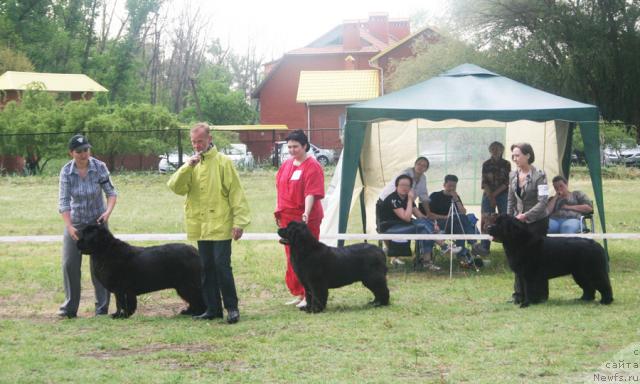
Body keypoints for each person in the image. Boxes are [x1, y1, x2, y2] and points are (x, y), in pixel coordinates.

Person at [167, 123, 250, 324]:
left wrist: (239, 222)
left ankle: (232, 308)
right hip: (200, 225)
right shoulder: (191, 165)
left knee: (222, 266)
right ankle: (212, 308)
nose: (196, 145)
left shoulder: (223, 162)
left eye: (200, 141)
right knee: (206, 267)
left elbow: (236, 193)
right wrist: (188, 167)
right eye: (194, 142)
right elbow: (175, 187)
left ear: (209, 139)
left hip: (220, 224)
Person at [57, 134, 117, 318]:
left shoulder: (99, 167)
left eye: (86, 150)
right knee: (70, 264)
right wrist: (69, 226)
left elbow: (111, 193)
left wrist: (107, 213)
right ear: (71, 153)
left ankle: (102, 308)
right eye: (79, 151)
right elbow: (64, 202)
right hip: (76, 223)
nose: (84, 154)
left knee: (101, 265)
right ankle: (69, 309)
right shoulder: (66, 172)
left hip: (98, 224)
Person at [275, 130, 325, 308]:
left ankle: (309, 294)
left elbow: (312, 192)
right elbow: (280, 189)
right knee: (292, 258)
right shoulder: (286, 165)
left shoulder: (312, 166)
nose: (292, 150)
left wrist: (307, 212)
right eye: (289, 147)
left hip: (305, 220)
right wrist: (278, 211)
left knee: (308, 258)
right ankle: (298, 292)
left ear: (305, 146)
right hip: (287, 218)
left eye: (295, 146)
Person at [507, 143, 550, 303]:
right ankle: (519, 294)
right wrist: (509, 219)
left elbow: (543, 201)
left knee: (537, 259)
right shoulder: (512, 175)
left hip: (537, 221)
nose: (515, 158)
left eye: (517, 155)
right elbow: (511, 200)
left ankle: (539, 295)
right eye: (513, 155)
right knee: (519, 259)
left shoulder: (540, 175)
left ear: (528, 156)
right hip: (519, 223)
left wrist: (526, 215)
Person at [379, 174, 440, 270]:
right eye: (402, 185)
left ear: (410, 188)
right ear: (396, 186)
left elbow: (420, 216)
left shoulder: (408, 198)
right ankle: (443, 245)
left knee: (424, 228)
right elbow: (406, 218)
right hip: (389, 228)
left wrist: (433, 224)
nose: (404, 188)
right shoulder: (393, 198)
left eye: (407, 186)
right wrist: (411, 199)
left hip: (402, 226)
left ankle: (427, 262)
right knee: (422, 225)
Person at [428, 175, 481, 264]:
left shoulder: (455, 196)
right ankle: (473, 243)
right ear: (444, 185)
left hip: (455, 224)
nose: (452, 188)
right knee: (459, 218)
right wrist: (446, 217)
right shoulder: (435, 195)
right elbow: (429, 214)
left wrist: (456, 199)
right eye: (450, 186)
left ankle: (462, 255)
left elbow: (463, 212)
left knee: (461, 222)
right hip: (440, 224)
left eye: (454, 186)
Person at [475, 141, 511, 255]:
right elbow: (484, 182)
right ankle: (484, 247)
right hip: (488, 194)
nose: (495, 151)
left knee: (505, 219)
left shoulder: (506, 164)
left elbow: (507, 182)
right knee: (486, 219)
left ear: (502, 150)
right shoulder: (486, 164)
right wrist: (490, 196)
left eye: (498, 149)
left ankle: (508, 247)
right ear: (490, 150)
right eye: (493, 149)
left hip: (503, 194)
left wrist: (494, 196)